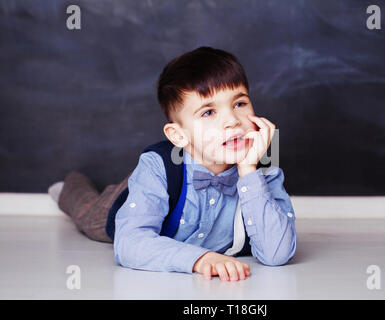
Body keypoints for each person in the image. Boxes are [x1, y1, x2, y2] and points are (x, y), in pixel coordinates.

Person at [48, 46, 297, 281]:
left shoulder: (262, 169)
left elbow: (277, 253)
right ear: (178, 135)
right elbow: (129, 243)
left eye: (239, 104)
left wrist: (248, 173)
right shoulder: (158, 166)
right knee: (90, 217)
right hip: (149, 189)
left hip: (217, 178)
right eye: (208, 112)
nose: (232, 121)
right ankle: (69, 186)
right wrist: (199, 259)